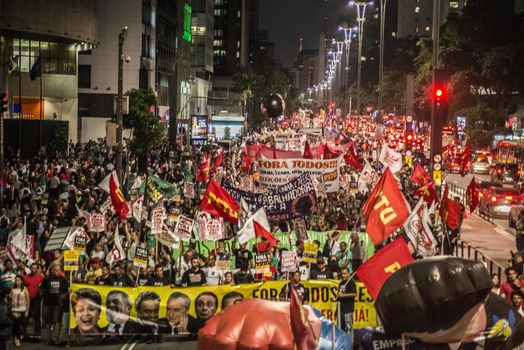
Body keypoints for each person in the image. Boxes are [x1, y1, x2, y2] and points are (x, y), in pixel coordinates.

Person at [40, 264, 69, 345]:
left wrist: (62, 297)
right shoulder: (46, 279)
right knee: (48, 322)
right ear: (52, 270)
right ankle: (49, 339)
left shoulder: (62, 279)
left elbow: (67, 290)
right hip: (47, 303)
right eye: (56, 270)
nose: (58, 272)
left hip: (58, 304)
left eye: (59, 270)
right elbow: (42, 289)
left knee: (58, 321)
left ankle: (57, 338)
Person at [23, 263, 45, 339]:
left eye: (35, 268)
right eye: (32, 268)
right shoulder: (26, 277)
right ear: (30, 268)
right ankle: (23, 332)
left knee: (37, 316)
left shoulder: (41, 277)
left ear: (38, 269)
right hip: (27, 299)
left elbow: (44, 287)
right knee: (26, 316)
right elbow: (23, 287)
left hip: (36, 300)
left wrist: (41, 295)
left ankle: (37, 332)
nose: (33, 269)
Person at [11, 276, 29, 347]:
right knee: (14, 325)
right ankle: (15, 338)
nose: (16, 281)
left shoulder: (24, 289)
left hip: (22, 310)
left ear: (21, 281)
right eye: (16, 280)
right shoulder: (13, 289)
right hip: (13, 310)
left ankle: (17, 339)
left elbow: (28, 300)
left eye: (18, 280)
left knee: (18, 325)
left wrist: (27, 310)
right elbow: (10, 299)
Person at [338, 267, 356, 334]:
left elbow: (354, 294)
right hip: (341, 310)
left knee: (349, 328)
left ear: (349, 273)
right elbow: (339, 294)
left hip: (348, 310)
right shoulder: (341, 283)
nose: (343, 275)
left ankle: (350, 343)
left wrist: (343, 295)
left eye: (345, 273)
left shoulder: (351, 282)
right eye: (342, 274)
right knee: (341, 328)